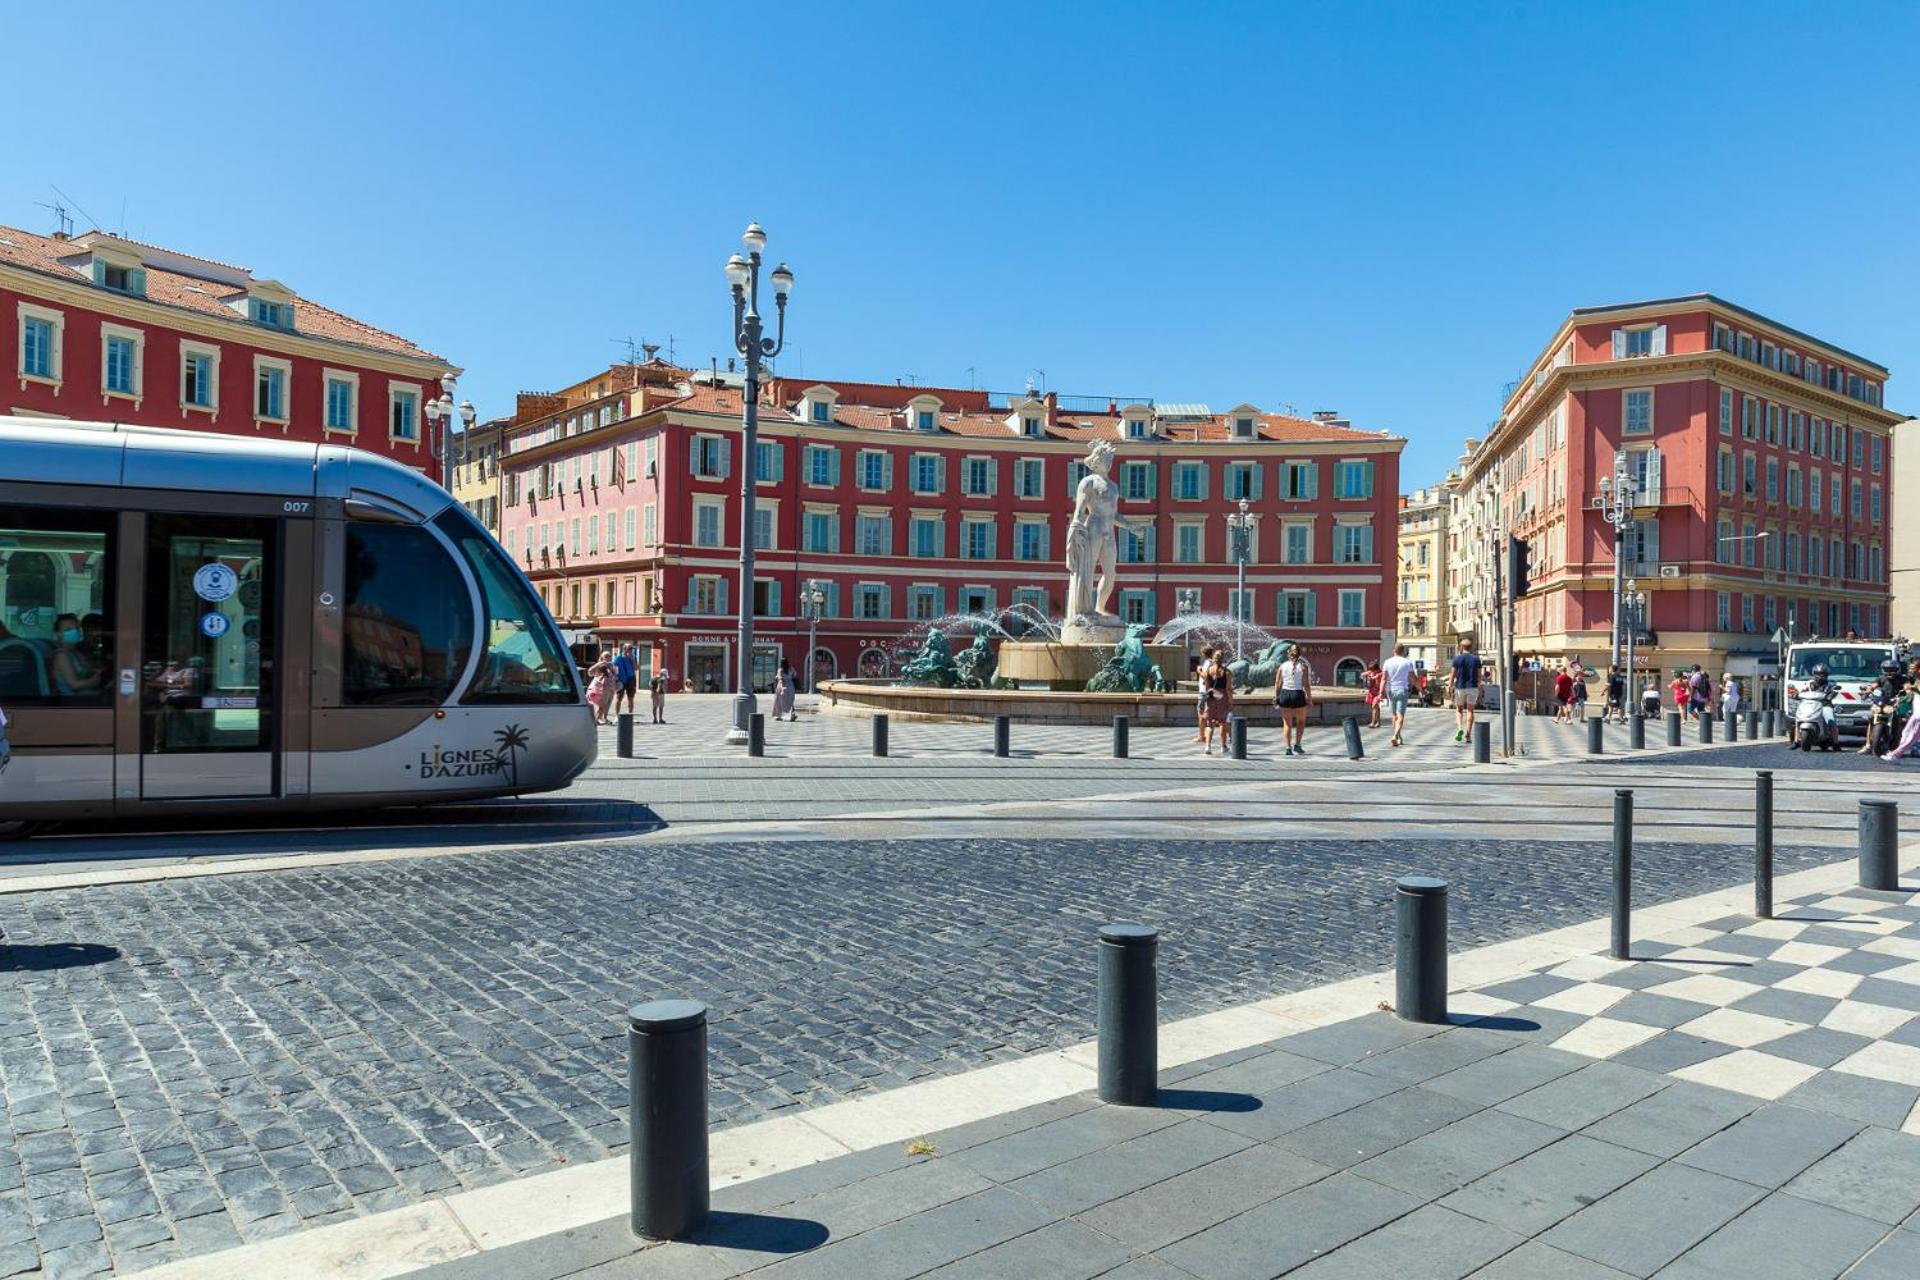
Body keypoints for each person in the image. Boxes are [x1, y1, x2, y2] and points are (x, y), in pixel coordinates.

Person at [48, 613, 105, 697]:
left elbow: (87, 671)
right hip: (73, 699)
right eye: (68, 630)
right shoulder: (61, 655)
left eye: (76, 629)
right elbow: (75, 685)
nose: (74, 632)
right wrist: (95, 681)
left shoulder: (76, 652)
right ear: (58, 634)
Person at [1274, 644, 1312, 756]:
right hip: (1298, 694)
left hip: (1285, 694)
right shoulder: (1304, 667)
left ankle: (1288, 748)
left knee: (1287, 723)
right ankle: (1298, 745)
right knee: (1301, 721)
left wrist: (1277, 697)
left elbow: (1277, 683)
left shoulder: (1282, 666)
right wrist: (1310, 699)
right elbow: (1306, 685)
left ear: (1288, 653)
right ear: (1299, 653)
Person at [1381, 643, 1417, 748]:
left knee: (1394, 715)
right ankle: (1395, 735)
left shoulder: (1387, 662)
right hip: (1402, 690)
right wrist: (1420, 689)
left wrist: (1381, 692)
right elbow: (1413, 679)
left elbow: (1384, 679)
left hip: (1391, 690)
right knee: (1400, 715)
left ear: (1394, 651)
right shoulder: (1407, 662)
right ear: (1403, 651)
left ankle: (1398, 737)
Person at [1199, 650, 1233, 756]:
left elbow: (1206, 686)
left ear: (1214, 659)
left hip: (1211, 698)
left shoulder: (1208, 670)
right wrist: (1231, 701)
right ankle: (1223, 747)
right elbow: (1228, 689)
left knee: (1209, 724)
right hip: (1222, 698)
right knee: (1222, 723)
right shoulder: (1227, 672)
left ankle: (1208, 746)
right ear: (1222, 659)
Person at [1450, 638, 1482, 743]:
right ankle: (1468, 735)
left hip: (1460, 687)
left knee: (1459, 709)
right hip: (1472, 687)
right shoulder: (1476, 659)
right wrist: (1479, 687)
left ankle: (1460, 729)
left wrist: (1450, 686)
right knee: (1470, 710)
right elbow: (1479, 676)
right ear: (1471, 647)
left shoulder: (1457, 658)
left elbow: (1453, 674)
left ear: (1461, 647)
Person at [1193, 647, 1216, 744]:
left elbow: (1206, 676)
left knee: (1201, 714)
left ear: (1203, 653)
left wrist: (1199, 670)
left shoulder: (1207, 663)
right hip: (1211, 691)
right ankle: (1208, 735)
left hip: (1204, 691)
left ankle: (1201, 736)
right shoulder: (1213, 662)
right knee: (1210, 715)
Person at [584, 651, 615, 725]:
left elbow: (613, 675)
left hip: (608, 688)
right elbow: (590, 672)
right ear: (602, 657)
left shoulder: (611, 665)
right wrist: (599, 665)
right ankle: (597, 719)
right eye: (606, 656)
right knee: (602, 705)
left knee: (605, 705)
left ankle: (600, 718)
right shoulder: (599, 665)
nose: (608, 658)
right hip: (598, 688)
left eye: (609, 656)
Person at [611, 647, 637, 718]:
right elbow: (614, 668)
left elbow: (636, 668)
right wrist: (616, 679)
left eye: (631, 649)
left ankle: (630, 715)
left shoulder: (633, 657)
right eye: (629, 649)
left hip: (631, 679)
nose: (631, 651)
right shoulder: (618, 658)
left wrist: (632, 660)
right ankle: (617, 716)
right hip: (621, 680)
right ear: (625, 650)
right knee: (619, 698)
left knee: (631, 698)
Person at [1363, 659, 1385, 729]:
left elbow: (1376, 678)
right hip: (1372, 692)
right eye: (1371, 670)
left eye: (1373, 670)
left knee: (1374, 706)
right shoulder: (1371, 672)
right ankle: (1378, 722)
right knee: (1376, 708)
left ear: (1376, 669)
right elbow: (1363, 674)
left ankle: (1373, 722)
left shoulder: (1380, 674)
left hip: (1378, 692)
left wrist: (1371, 677)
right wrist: (1365, 675)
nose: (1371, 671)